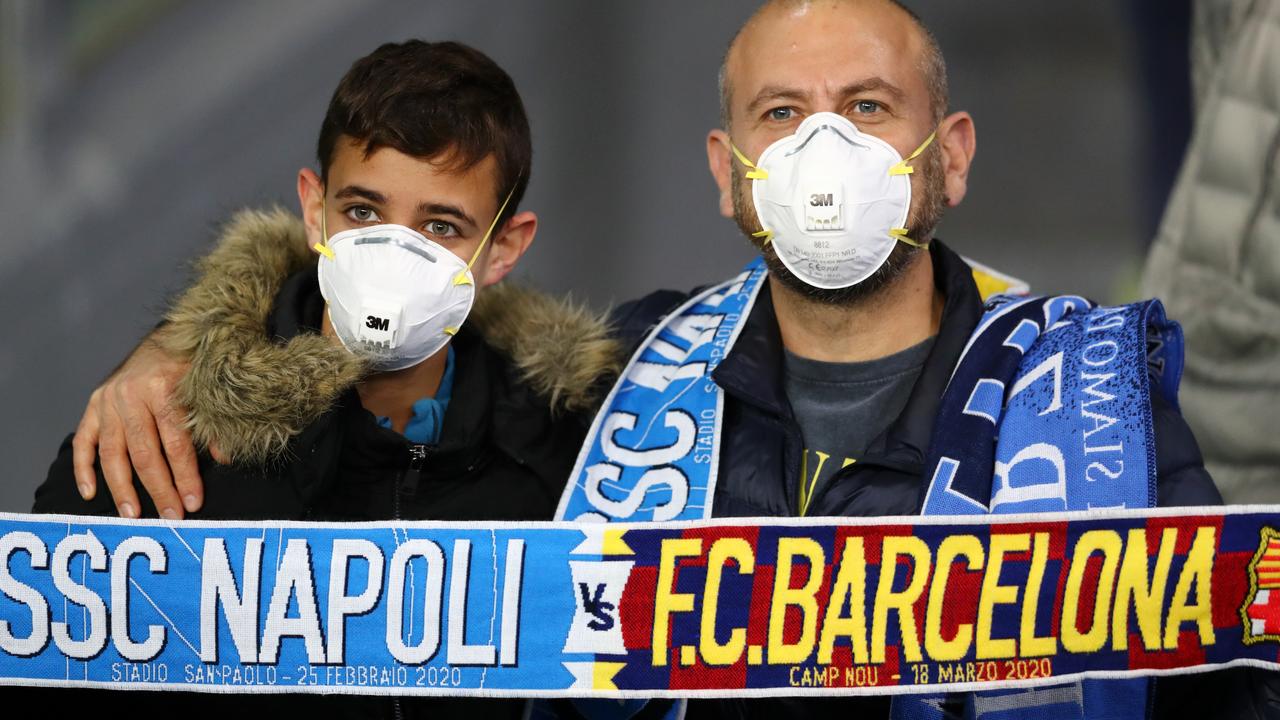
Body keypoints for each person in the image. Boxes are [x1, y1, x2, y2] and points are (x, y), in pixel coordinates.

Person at [56, 1, 1266, 718]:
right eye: (781, 116)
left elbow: (1234, 677)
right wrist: (182, 344)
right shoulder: (620, 378)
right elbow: (388, 370)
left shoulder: (1091, 401)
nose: (823, 151)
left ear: (947, 157)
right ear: (724, 171)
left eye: (868, 107)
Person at [30, 38, 619, 718]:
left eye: (441, 226)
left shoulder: (568, 465)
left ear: (504, 249)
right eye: (363, 213)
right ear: (315, 210)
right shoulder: (151, 443)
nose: (394, 259)